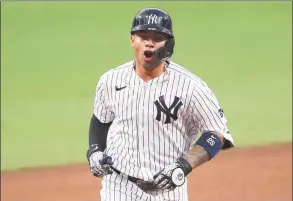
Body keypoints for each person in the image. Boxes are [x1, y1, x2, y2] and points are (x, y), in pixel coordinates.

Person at [86, 7, 235, 201]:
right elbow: (101, 119)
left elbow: (216, 134)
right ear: (132, 40)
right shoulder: (111, 80)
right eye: (143, 36)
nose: (149, 42)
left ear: (168, 44)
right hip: (119, 187)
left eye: (157, 38)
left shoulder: (191, 87)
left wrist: (184, 165)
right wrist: (95, 151)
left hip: (169, 192)